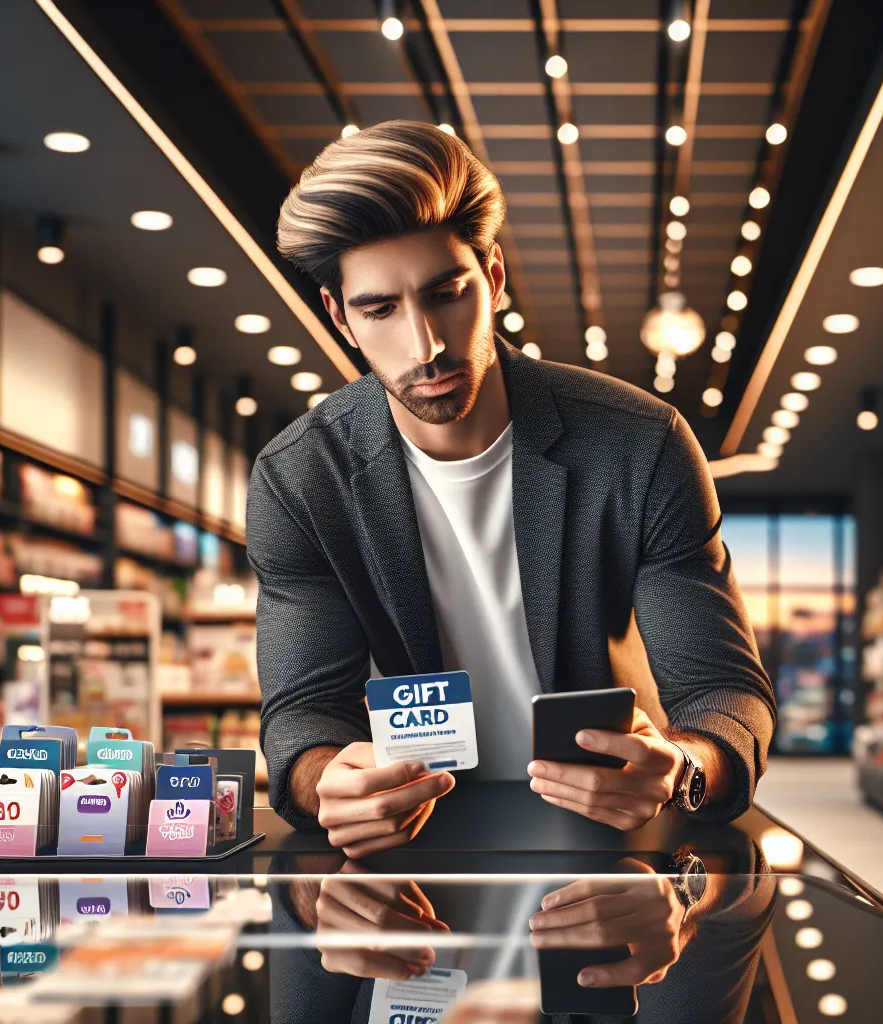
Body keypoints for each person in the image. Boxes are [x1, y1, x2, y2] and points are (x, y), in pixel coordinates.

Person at [252, 119, 773, 857]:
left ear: (492, 277)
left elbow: (725, 691)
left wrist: (683, 768)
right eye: (381, 310)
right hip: (422, 866)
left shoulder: (639, 443)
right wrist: (323, 777)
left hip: (613, 851)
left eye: (447, 293)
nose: (425, 345)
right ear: (340, 317)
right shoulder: (300, 476)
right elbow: (302, 714)